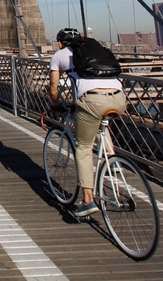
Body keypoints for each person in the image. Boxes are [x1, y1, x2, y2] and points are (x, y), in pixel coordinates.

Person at [48, 27, 127, 219]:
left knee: (83, 147)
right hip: (120, 98)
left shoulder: (59, 55)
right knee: (100, 122)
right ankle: (112, 159)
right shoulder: (95, 49)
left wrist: (56, 104)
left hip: (92, 100)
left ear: (60, 43)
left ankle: (87, 200)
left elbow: (53, 88)